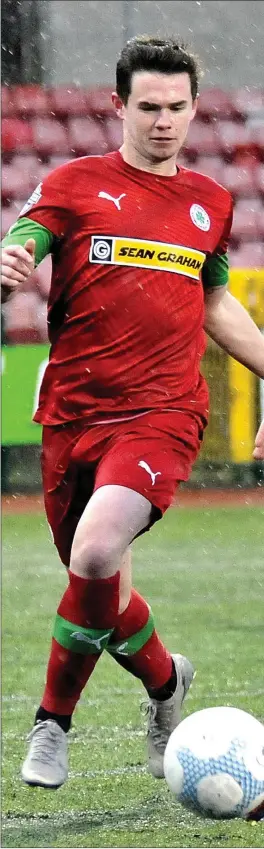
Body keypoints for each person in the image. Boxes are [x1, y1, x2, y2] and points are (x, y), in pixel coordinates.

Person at [1, 36, 264, 791]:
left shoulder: (210, 202)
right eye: (148, 107)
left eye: (178, 108)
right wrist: (8, 264)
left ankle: (52, 723)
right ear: (119, 105)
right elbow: (24, 241)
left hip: (164, 413)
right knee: (102, 592)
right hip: (73, 414)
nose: (164, 122)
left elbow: (214, 301)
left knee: (93, 553)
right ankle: (164, 681)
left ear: (193, 108)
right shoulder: (74, 183)